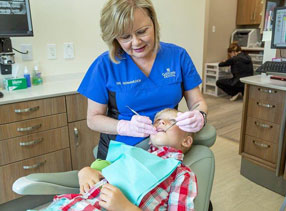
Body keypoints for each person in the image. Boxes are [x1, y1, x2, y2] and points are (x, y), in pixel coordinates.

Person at [77, 0, 208, 160]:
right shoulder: (105, 65)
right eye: (125, 37)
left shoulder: (177, 56)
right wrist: (124, 127)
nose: (136, 42)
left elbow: (197, 103)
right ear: (115, 38)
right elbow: (93, 119)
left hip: (167, 150)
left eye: (142, 32)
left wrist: (199, 115)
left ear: (154, 23)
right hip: (123, 153)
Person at [45, 108, 197, 211]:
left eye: (172, 121)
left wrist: (126, 208)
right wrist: (86, 172)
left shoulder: (182, 174)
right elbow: (100, 170)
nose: (161, 122)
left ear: (186, 141)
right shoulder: (132, 154)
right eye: (157, 120)